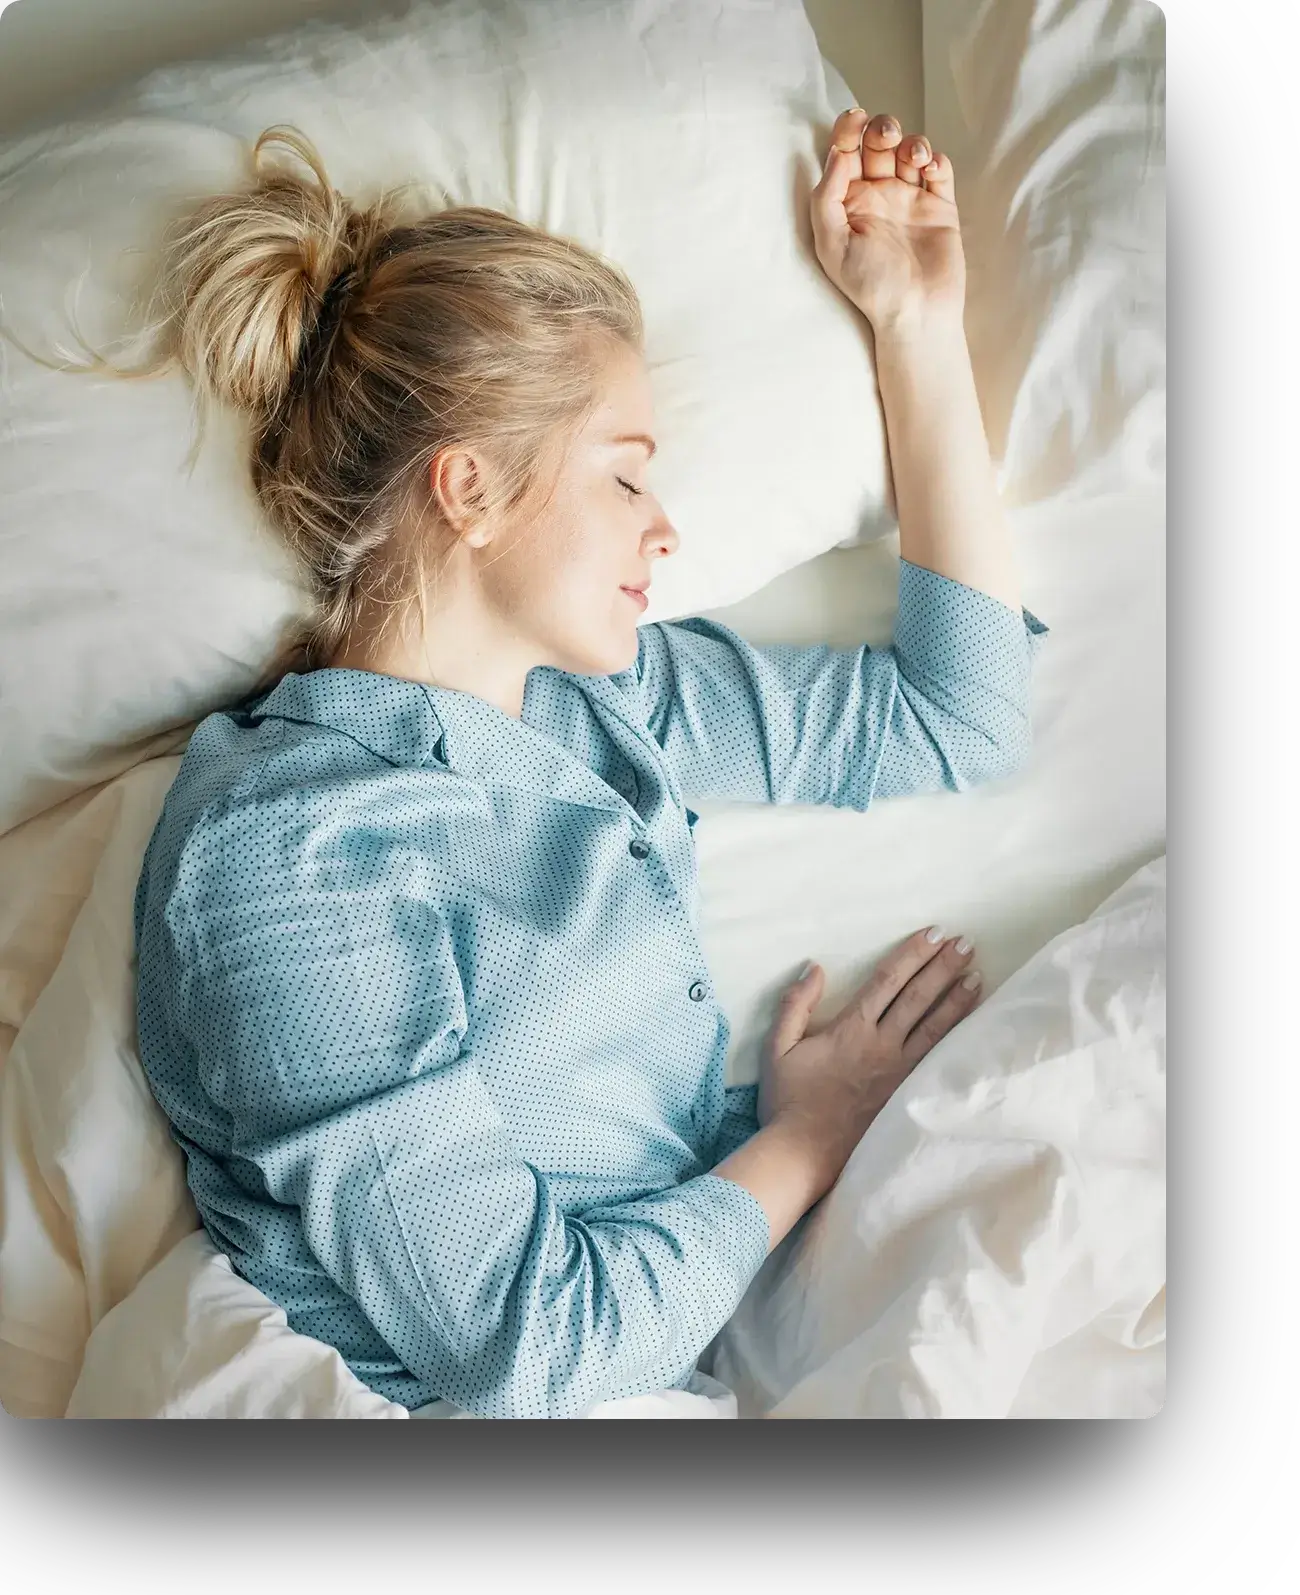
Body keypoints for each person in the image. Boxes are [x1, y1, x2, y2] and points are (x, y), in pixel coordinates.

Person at [129, 108, 1045, 1418]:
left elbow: (960, 713)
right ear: (469, 490)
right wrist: (805, 1136)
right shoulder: (288, 862)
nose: (666, 527)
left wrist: (917, 327)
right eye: (625, 478)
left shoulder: (602, 699)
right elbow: (534, 1352)